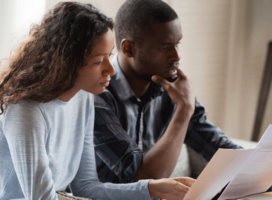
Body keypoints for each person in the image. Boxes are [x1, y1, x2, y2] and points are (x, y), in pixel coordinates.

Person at [0, 2, 195, 200]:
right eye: (99, 61)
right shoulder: (24, 111)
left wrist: (151, 189)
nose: (111, 70)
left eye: (110, 56)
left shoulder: (85, 98)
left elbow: (86, 188)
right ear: (67, 62)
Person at [94, 0, 242, 184]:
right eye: (164, 48)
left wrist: (260, 167)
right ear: (128, 48)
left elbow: (218, 146)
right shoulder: (98, 94)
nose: (177, 56)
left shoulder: (170, 88)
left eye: (177, 44)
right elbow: (142, 179)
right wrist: (184, 109)